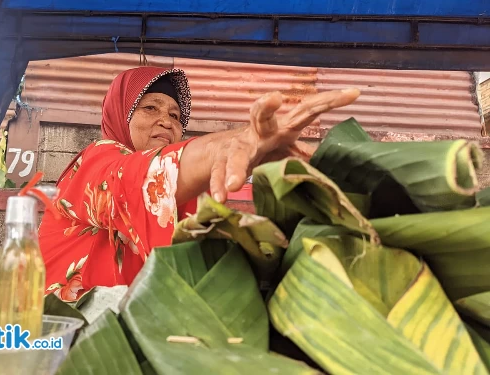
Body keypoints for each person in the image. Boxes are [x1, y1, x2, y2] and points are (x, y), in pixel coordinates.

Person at [39, 66, 359, 302]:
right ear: (120, 113)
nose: (167, 120)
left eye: (176, 116)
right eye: (150, 108)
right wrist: (221, 145)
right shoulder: (96, 160)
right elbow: (131, 182)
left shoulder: (190, 193)